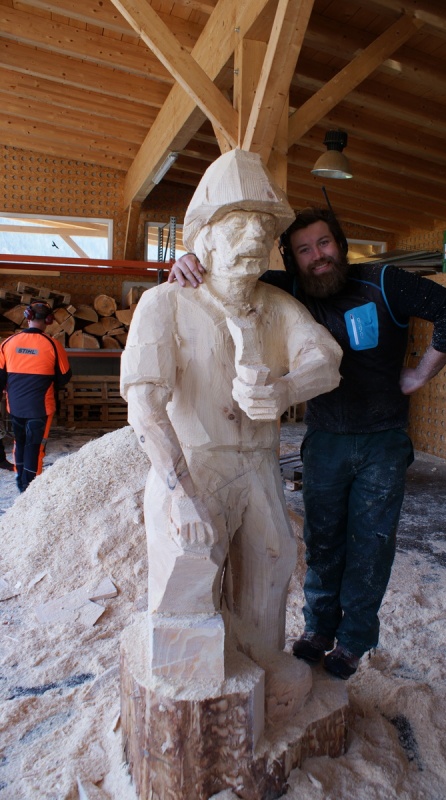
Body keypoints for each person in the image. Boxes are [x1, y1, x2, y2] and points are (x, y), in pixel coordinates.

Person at [170, 206, 446, 680]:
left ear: (340, 244)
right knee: (323, 540)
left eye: (324, 243)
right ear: (291, 259)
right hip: (325, 438)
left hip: (382, 441)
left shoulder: (383, 282)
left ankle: (353, 640)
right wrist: (190, 260)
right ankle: (317, 629)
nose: (318, 256)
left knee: (371, 544)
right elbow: (228, 272)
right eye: (304, 250)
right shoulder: (288, 289)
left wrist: (420, 374)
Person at [120, 152, 342, 702]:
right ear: (206, 238)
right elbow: (143, 405)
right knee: (192, 567)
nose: (255, 237)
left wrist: (285, 390)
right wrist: (179, 492)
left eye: (263, 227)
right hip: (194, 464)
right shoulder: (165, 303)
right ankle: (188, 661)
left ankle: (259, 649)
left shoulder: (277, 306)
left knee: (273, 557)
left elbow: (326, 359)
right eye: (238, 225)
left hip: (259, 464)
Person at [0, 301, 72, 492]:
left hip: (15, 406)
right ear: (49, 320)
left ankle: (20, 482)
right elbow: (64, 377)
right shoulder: (53, 345)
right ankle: (30, 488)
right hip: (41, 407)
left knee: (20, 442)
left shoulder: (8, 343)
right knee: (35, 446)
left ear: (27, 316)